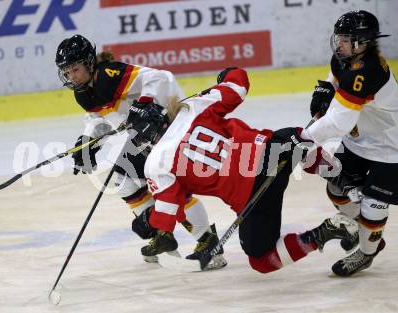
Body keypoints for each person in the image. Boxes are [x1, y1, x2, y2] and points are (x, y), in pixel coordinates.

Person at [125, 66, 358, 273]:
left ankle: (322, 233)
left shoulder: (156, 164)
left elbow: (164, 220)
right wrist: (225, 75)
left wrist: (146, 223)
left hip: (252, 197)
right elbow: (239, 83)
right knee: (297, 140)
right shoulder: (194, 107)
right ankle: (345, 179)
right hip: (270, 152)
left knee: (263, 261)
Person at [55, 34, 226, 268]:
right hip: (146, 135)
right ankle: (162, 235)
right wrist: (88, 142)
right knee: (123, 178)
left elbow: (161, 78)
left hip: (171, 125)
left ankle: (207, 243)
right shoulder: (83, 93)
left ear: (88, 63)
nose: (71, 76)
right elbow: (100, 118)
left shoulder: (109, 75)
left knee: (169, 184)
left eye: (74, 69)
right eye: (67, 72)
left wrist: (146, 102)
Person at [302, 10, 397, 276]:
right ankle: (363, 231)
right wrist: (326, 87)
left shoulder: (367, 71)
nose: (339, 44)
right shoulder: (348, 59)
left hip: (391, 149)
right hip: (360, 141)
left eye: (347, 39)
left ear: (364, 42)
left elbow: (337, 123)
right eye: (340, 37)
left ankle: (367, 252)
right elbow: (336, 74)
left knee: (373, 205)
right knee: (336, 186)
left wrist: (304, 138)